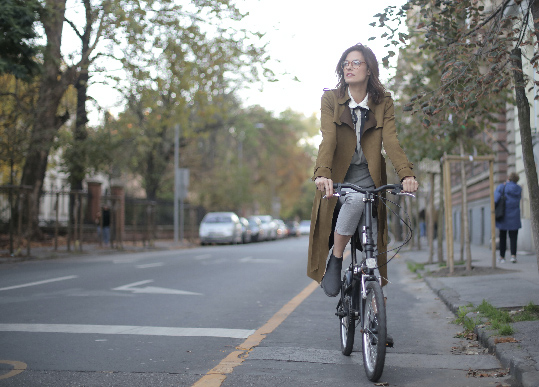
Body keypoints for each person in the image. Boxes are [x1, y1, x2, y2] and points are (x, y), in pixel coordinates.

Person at [307, 43, 419, 298]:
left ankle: (378, 320)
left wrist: (406, 174)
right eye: (346, 63)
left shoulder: (383, 101)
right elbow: (329, 138)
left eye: (356, 62)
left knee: (373, 252)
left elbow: (390, 140)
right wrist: (323, 173)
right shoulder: (331, 99)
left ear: (369, 69)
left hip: (370, 177)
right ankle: (336, 258)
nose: (349, 67)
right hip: (339, 179)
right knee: (356, 199)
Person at [494, 172, 522, 263]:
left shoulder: (502, 187)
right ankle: (513, 256)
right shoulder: (519, 189)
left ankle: (502, 257)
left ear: (508, 178)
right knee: (513, 237)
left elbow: (495, 199)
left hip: (504, 215)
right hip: (515, 215)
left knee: (502, 236)